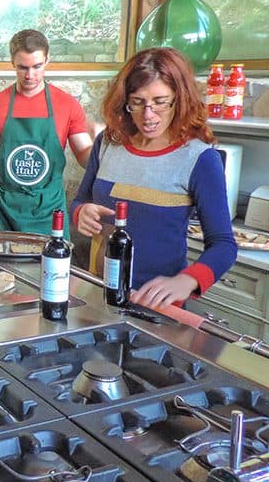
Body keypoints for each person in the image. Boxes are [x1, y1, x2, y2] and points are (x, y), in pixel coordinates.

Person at [70, 47, 237, 308]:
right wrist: (80, 213)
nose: (148, 115)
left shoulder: (200, 159)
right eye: (137, 102)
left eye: (160, 101)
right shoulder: (107, 144)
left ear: (179, 99)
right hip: (98, 293)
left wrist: (187, 280)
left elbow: (224, 245)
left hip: (157, 308)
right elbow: (80, 200)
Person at [0, 29, 93, 237]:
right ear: (12, 62)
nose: (30, 75)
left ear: (47, 60)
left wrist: (103, 143)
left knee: (52, 269)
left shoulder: (68, 105)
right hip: (4, 212)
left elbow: (85, 157)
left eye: (37, 66)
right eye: (23, 67)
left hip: (49, 212)